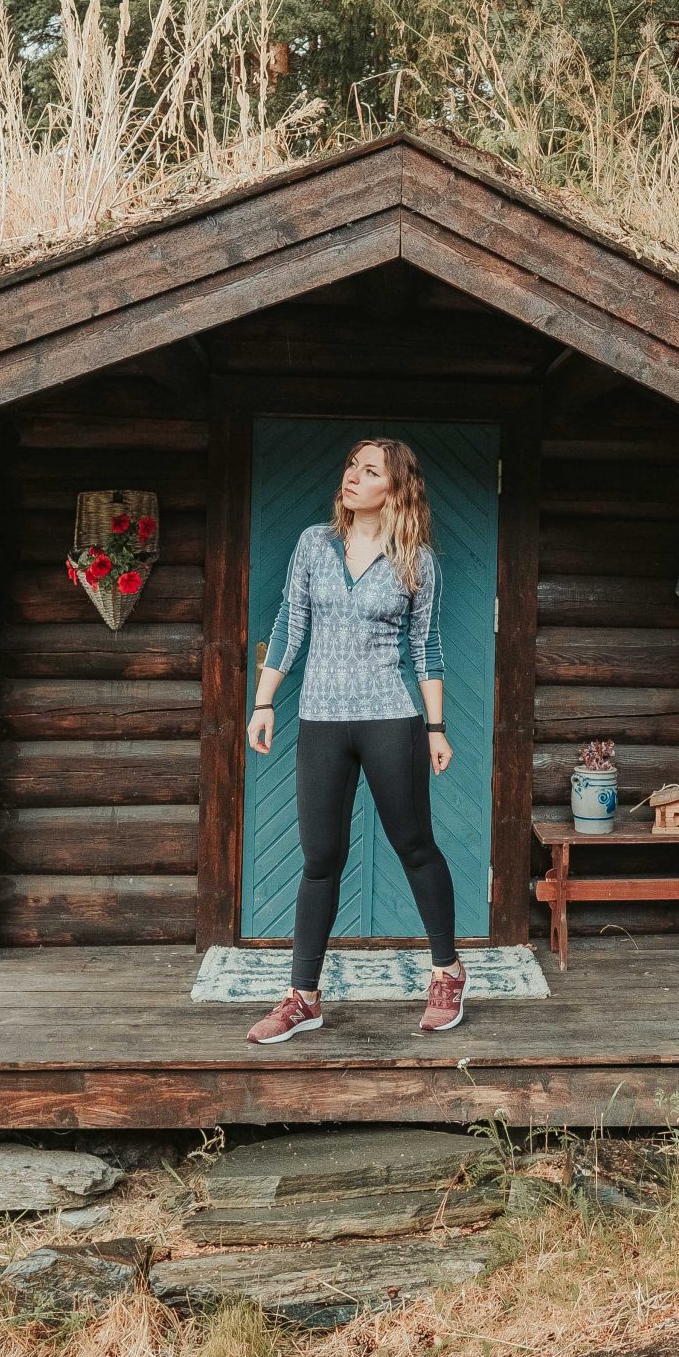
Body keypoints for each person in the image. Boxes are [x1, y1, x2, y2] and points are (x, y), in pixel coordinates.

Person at [243, 437, 466, 1043]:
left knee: (414, 844)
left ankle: (446, 971)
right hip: (320, 721)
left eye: (371, 471)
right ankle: (303, 998)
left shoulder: (417, 561)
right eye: (351, 465)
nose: (353, 476)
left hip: (391, 720)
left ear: (394, 490)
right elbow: (290, 624)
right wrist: (264, 703)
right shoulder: (314, 545)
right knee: (320, 859)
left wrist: (437, 727)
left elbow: (427, 648)